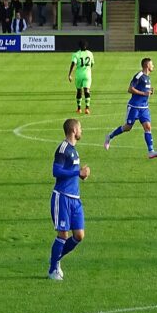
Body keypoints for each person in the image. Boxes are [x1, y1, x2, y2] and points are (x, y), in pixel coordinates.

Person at [48, 118, 90, 280]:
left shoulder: (73, 149)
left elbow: (71, 171)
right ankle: (53, 269)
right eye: (80, 128)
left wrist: (81, 175)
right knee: (63, 235)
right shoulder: (63, 148)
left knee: (79, 236)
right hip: (63, 197)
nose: (81, 131)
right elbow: (56, 171)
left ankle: (56, 259)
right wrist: (77, 173)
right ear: (73, 130)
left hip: (75, 199)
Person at [103, 58, 157, 159]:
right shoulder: (139, 75)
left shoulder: (148, 78)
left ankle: (151, 151)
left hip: (144, 107)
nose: (153, 66)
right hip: (134, 107)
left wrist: (149, 91)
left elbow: (144, 90)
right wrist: (144, 93)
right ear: (147, 65)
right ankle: (109, 136)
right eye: (152, 64)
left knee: (148, 127)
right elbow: (130, 89)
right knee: (127, 127)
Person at [68, 39, 94, 114]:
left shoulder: (76, 54)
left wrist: (70, 74)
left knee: (79, 91)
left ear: (79, 46)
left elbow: (73, 64)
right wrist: (88, 69)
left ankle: (79, 108)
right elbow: (92, 63)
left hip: (79, 75)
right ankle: (87, 108)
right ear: (86, 46)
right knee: (87, 91)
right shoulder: (90, 53)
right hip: (87, 75)